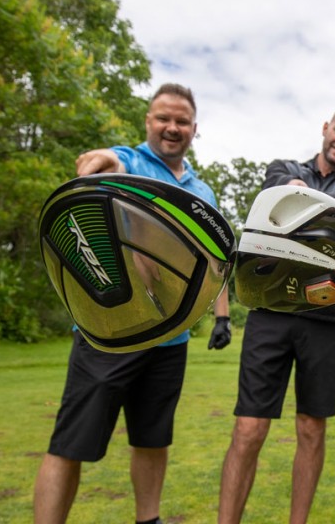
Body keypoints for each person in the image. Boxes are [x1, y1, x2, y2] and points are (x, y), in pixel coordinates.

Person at [33, 83, 231, 524]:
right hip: (109, 335)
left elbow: (215, 267)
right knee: (70, 444)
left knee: (152, 441)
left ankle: (148, 520)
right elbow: (106, 163)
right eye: (163, 118)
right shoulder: (131, 163)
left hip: (171, 341)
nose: (172, 127)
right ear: (148, 121)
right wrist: (100, 163)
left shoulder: (203, 193)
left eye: (182, 121)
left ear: (194, 128)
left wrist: (223, 319)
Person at [217, 106, 335, 524]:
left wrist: (297, 198)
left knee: (310, 428)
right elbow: (274, 189)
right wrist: (288, 188)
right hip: (270, 310)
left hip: (326, 318)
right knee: (249, 429)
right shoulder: (282, 167)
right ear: (325, 128)